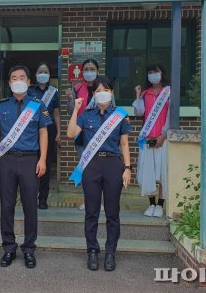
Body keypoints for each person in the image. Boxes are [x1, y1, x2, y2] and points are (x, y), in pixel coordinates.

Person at [0, 65, 52, 269]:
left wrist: (43, 159)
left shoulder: (38, 105)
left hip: (31, 160)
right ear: (9, 83)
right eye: (14, 78)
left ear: (29, 82)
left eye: (22, 77)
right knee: (7, 205)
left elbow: (43, 134)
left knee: (31, 206)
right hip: (8, 160)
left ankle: (29, 249)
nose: (18, 80)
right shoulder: (1, 105)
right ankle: (9, 248)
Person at [67, 77, 132, 272]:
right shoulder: (86, 115)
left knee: (112, 213)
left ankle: (110, 252)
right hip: (91, 164)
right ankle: (92, 251)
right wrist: (76, 109)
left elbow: (124, 144)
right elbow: (71, 134)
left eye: (106, 89)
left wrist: (128, 168)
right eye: (98, 90)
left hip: (113, 164)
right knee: (91, 212)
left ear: (111, 92)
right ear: (93, 94)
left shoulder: (120, 115)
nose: (102, 93)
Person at [133, 63, 170, 218]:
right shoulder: (146, 94)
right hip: (147, 139)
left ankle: (160, 205)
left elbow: (170, 116)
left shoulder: (168, 93)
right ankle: (151, 204)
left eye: (156, 72)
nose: (153, 75)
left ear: (162, 73)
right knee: (148, 173)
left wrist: (164, 135)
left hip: (162, 139)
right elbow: (139, 112)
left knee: (161, 174)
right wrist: (138, 94)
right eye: (150, 72)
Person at [66, 58, 103, 211]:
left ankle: (99, 202)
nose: (89, 72)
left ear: (97, 71)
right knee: (85, 168)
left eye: (92, 69)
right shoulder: (77, 89)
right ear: (82, 72)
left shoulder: (104, 88)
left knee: (100, 169)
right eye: (86, 69)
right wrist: (70, 100)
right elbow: (70, 111)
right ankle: (87, 200)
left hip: (99, 134)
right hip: (81, 134)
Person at [28, 62, 61, 210]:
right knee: (31, 164)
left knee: (45, 164)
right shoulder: (29, 90)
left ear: (49, 75)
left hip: (49, 129)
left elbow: (56, 113)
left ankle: (43, 198)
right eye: (40, 71)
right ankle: (30, 196)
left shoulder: (53, 91)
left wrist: (59, 131)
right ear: (35, 75)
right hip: (32, 130)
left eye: (45, 71)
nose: (43, 73)